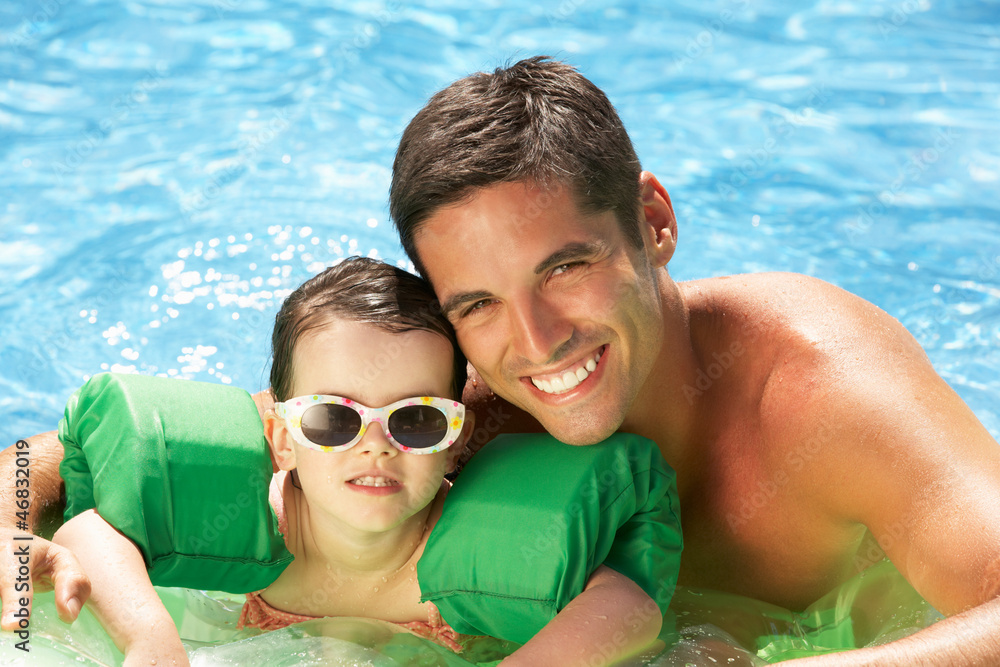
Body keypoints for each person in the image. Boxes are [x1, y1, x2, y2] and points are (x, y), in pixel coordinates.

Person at [4, 55, 1000, 664]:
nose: (536, 340)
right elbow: (45, 465)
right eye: (476, 303)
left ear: (654, 221)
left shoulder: (818, 393)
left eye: (565, 267)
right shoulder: (451, 408)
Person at [45, 257, 680, 666]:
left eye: (417, 420)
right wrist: (151, 640)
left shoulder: (487, 557)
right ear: (282, 438)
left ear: (455, 442)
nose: (375, 445)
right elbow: (90, 531)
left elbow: (629, 607)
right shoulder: (244, 524)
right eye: (333, 419)